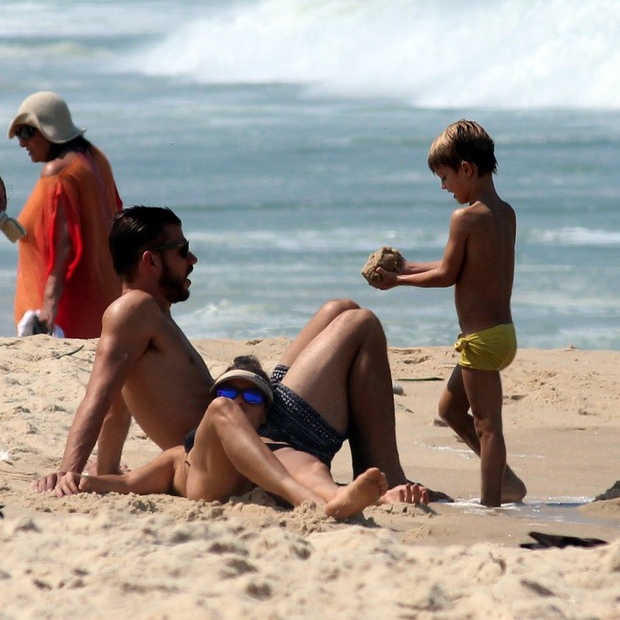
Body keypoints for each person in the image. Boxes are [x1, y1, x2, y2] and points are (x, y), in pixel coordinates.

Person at [34, 205, 446, 505]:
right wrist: (72, 470)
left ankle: (376, 473)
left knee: (339, 309)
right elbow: (100, 395)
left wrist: (105, 470)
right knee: (362, 324)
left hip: (255, 419)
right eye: (182, 251)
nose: (192, 260)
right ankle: (387, 474)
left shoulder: (146, 318)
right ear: (150, 261)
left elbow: (117, 401)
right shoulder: (132, 311)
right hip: (255, 441)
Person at [371, 120, 526, 508]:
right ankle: (504, 478)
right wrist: (404, 266)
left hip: (481, 341)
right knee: (450, 409)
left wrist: (397, 282)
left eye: (444, 177)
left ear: (467, 169)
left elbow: (446, 275)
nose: (444, 187)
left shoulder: (466, 218)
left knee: (487, 426)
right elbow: (456, 265)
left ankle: (493, 502)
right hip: (500, 334)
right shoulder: (505, 213)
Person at [58, 356, 389, 520]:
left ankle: (337, 500)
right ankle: (308, 501)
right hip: (206, 481)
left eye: (254, 397)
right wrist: (85, 482)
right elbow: (129, 484)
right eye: (231, 391)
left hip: (257, 470)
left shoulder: (275, 448)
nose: (240, 400)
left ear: (264, 414)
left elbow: (308, 472)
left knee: (306, 462)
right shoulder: (181, 451)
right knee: (225, 415)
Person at [8, 91, 122, 338]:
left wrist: (49, 306)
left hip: (69, 312)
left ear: (48, 130)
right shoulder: (94, 159)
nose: (21, 143)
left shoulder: (58, 174)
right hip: (103, 297)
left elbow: (63, 245)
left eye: (26, 133)